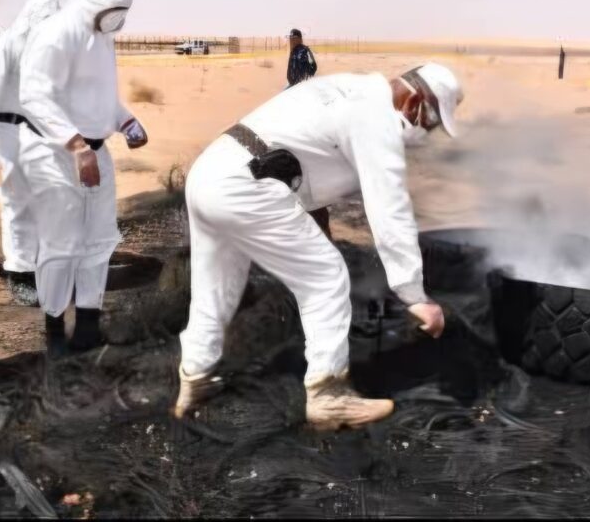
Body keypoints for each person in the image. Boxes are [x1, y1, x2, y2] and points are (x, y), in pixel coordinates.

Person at [174, 62, 464, 431]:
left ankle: (196, 380)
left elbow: (303, 159)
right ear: (415, 104)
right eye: (431, 124)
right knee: (326, 279)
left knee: (215, 287)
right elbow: (389, 209)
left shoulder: (347, 87)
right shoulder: (376, 119)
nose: (426, 134)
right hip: (249, 188)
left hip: (211, 175)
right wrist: (415, 296)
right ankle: (328, 397)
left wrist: (317, 232)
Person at [18, 0, 149, 356]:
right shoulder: (57, 33)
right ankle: (55, 332)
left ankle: (89, 325)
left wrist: (125, 121)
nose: (120, 21)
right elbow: (35, 95)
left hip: (93, 150)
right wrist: (75, 145)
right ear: (96, 1)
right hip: (53, 152)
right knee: (61, 244)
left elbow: (101, 97)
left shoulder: (100, 37)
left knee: (99, 238)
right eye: (116, 12)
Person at [0, 0, 60, 305]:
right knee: (16, 202)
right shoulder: (3, 46)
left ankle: (45, 265)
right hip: (4, 131)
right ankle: (20, 273)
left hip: (41, 134)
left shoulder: (49, 51)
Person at [285, 28, 329, 237]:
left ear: (299, 39)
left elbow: (312, 67)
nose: (291, 42)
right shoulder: (293, 52)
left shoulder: (304, 51)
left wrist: (303, 81)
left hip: (303, 87)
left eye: (294, 39)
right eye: (290, 39)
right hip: (292, 87)